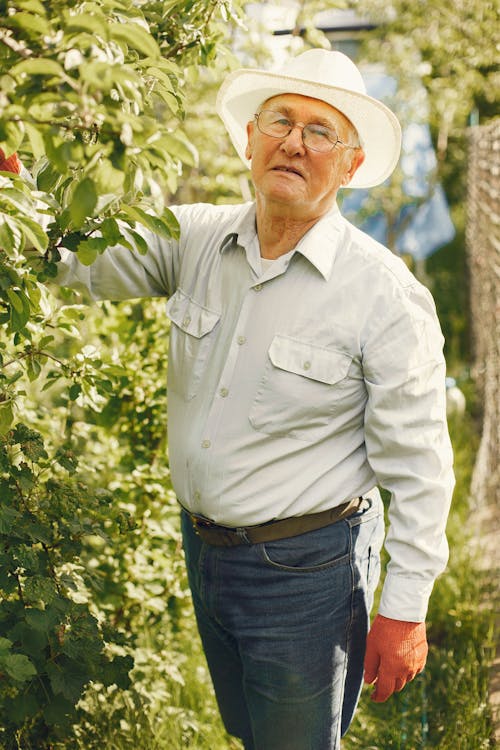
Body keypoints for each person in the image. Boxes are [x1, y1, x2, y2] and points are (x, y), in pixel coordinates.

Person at [3, 49, 455, 750]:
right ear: (250, 139)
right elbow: (68, 256)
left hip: (307, 572)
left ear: (350, 166)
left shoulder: (385, 297)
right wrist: (16, 192)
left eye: (320, 131)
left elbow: (420, 470)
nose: (294, 142)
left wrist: (405, 609)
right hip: (207, 550)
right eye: (280, 120)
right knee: (253, 735)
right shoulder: (196, 238)